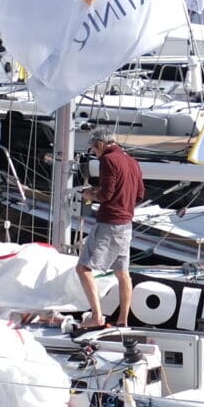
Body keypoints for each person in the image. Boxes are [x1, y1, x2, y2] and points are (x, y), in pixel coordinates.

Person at [77, 128, 143, 330]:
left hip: (110, 223)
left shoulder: (107, 160)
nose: (95, 154)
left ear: (100, 144)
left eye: (93, 150)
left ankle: (97, 317)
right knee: (122, 273)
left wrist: (90, 194)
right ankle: (123, 320)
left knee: (83, 269)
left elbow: (106, 195)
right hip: (126, 225)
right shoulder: (132, 161)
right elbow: (139, 195)